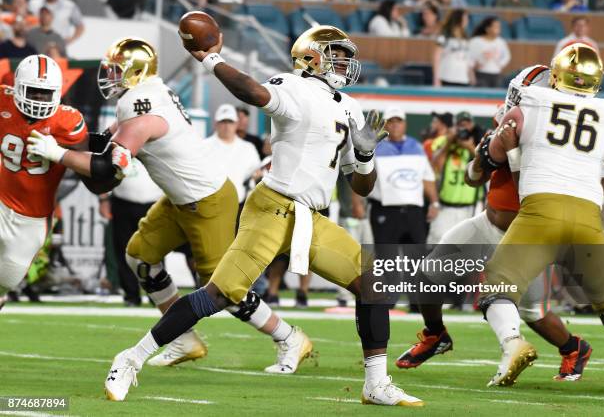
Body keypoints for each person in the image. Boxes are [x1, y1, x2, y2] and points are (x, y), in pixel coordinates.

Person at [97, 26, 423, 406]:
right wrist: (210, 58)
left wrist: (366, 158)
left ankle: (376, 384)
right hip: (272, 207)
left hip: (312, 218)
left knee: (372, 284)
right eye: (337, 52)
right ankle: (130, 358)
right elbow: (253, 92)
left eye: (347, 54)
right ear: (311, 56)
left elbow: (362, 187)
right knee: (218, 295)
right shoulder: (293, 85)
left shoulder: (349, 106)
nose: (346, 61)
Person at [27, 38, 313, 381]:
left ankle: (289, 337)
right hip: (180, 199)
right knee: (140, 256)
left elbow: (108, 169)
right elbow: (111, 139)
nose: (111, 76)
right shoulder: (149, 92)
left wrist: (58, 153)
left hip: (208, 201)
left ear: (137, 72)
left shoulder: (138, 104)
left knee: (223, 288)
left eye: (118, 70)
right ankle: (183, 338)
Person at [396, 65, 595, 383]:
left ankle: (574, 347)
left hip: (528, 234)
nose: (519, 100)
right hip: (487, 221)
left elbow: (531, 183)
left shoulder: (559, 140)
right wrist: (484, 155)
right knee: (426, 276)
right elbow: (473, 178)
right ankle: (435, 335)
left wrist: (512, 154)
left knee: (533, 313)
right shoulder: (512, 120)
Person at [480, 43, 604, 386]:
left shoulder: (530, 104)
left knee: (497, 289)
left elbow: (495, 152)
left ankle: (513, 346)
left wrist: (501, 148)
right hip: (588, 217)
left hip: (539, 213)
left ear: (556, 75)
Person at [0, 55, 88, 308]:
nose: (39, 99)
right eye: (34, 91)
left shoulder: (68, 122)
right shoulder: (2, 100)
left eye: (45, 93)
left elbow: (86, 162)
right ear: (18, 88)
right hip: (1, 198)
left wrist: (59, 153)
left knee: (7, 279)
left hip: (33, 217)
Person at [98, 159, 164, 307]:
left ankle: (158, 294)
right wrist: (103, 199)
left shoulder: (159, 139)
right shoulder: (119, 139)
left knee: (156, 251)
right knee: (124, 250)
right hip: (123, 201)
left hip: (155, 202)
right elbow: (104, 169)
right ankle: (131, 295)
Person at [369, 107, 439, 245]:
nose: (395, 125)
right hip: (385, 210)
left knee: (416, 259)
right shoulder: (374, 148)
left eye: (399, 121)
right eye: (391, 121)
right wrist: (357, 202)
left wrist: (434, 202)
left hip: (414, 212)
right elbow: (362, 175)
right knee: (386, 260)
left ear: (405, 124)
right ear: (384, 124)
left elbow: (427, 177)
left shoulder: (417, 147)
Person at [426, 111, 483, 244]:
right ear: (454, 127)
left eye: (467, 125)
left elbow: (485, 166)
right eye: (460, 125)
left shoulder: (480, 143)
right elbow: (436, 165)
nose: (464, 129)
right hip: (445, 208)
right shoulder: (443, 141)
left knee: (467, 251)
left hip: (471, 208)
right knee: (437, 247)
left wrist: (469, 147)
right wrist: (449, 142)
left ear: (472, 126)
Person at [202, 104, 260, 207]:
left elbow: (255, 174)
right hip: (210, 205)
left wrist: (257, 176)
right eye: (223, 121)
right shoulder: (203, 146)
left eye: (230, 121)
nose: (227, 126)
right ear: (216, 123)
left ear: (236, 124)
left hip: (239, 206)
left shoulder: (248, 148)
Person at [432, 9, 473, 87]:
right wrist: (436, 78)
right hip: (447, 76)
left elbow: (467, 59)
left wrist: (470, 75)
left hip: (463, 78)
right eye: (464, 19)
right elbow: (436, 56)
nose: (467, 21)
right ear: (458, 19)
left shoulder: (466, 38)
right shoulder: (444, 36)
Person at [469, 16, 511, 88]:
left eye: (499, 27)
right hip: (481, 74)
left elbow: (507, 56)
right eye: (495, 27)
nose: (498, 29)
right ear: (487, 29)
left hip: (496, 74)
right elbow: (470, 56)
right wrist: (474, 65)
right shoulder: (476, 41)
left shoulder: (500, 42)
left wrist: (500, 65)